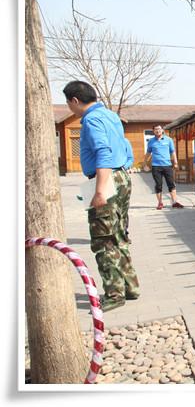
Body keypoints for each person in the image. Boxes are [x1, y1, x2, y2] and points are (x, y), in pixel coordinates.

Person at [63, 80, 139, 312]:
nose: (69, 107)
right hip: (120, 176)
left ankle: (114, 294)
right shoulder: (110, 116)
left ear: (75, 100)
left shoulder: (92, 120)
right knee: (119, 234)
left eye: (68, 103)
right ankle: (130, 286)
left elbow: (103, 152)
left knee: (103, 239)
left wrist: (99, 191)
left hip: (105, 179)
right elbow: (124, 147)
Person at [145, 124, 184, 210]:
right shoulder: (151, 141)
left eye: (159, 129)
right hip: (156, 166)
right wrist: (145, 163)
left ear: (162, 130)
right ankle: (160, 203)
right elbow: (148, 153)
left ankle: (175, 202)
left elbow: (173, 152)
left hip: (167, 166)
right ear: (153, 131)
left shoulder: (168, 140)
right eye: (156, 129)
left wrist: (176, 162)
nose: (158, 130)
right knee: (158, 185)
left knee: (171, 184)